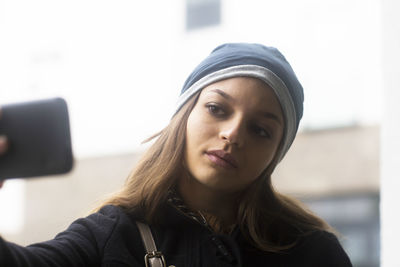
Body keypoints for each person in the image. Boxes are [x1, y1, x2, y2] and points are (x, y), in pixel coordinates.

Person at [0, 43, 352, 266]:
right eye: (217, 108)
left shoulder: (311, 251)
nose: (232, 134)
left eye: (260, 130)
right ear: (184, 115)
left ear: (276, 152)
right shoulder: (112, 234)